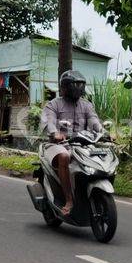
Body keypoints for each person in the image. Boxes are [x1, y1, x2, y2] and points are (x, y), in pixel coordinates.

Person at [41, 70, 103, 216]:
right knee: (64, 157)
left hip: (81, 144)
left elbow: (94, 120)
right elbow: (49, 121)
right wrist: (54, 133)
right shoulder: (54, 104)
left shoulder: (86, 105)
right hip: (57, 145)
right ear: (65, 87)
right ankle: (69, 200)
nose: (79, 87)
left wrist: (103, 132)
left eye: (81, 84)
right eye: (76, 84)